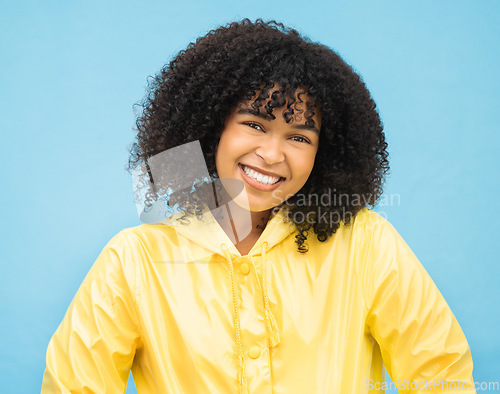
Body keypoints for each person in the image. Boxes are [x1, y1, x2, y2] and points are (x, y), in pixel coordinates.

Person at [41, 19, 475, 393]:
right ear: (213, 130)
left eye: (300, 137)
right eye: (254, 124)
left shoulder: (366, 244)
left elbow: (442, 375)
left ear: (325, 153)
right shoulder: (134, 262)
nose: (271, 154)